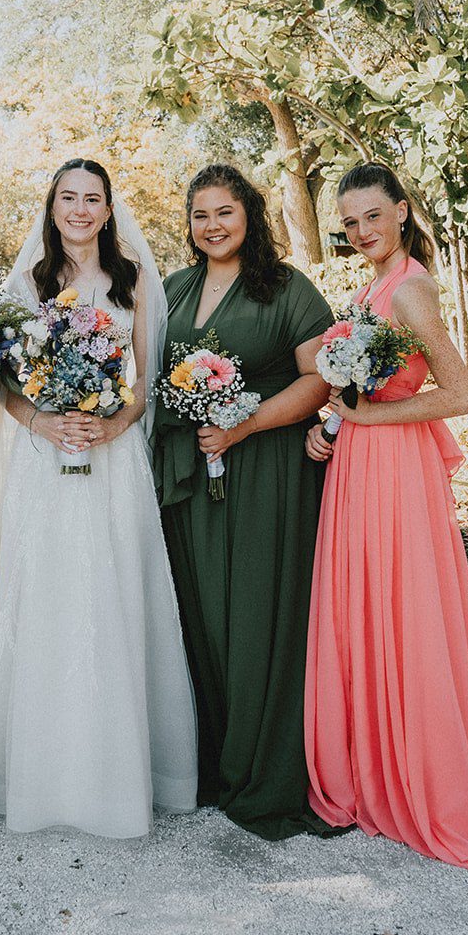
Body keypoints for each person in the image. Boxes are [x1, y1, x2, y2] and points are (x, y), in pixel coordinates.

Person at [304, 161, 468, 866]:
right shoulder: (367, 288)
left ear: (401, 212)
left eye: (371, 216)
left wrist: (369, 421)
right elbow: (360, 391)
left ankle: (422, 778)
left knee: (402, 610)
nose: (359, 230)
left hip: (395, 470)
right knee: (362, 609)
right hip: (360, 464)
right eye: (348, 222)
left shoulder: (410, 290)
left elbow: (462, 392)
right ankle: (373, 766)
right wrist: (332, 422)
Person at [0, 158, 197, 837]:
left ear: (109, 210)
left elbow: (144, 380)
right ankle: (47, 776)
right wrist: (45, 421)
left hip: (112, 458)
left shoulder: (132, 279)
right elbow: (4, 388)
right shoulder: (23, 284)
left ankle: (121, 773)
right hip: (45, 459)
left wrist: (112, 423)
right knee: (48, 596)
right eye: (68, 198)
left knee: (113, 592)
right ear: (51, 207)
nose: (80, 209)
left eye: (92, 199)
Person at [155, 163, 336, 840]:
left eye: (223, 212)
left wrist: (244, 424)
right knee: (199, 612)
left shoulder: (286, 287)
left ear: (249, 215)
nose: (211, 226)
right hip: (189, 474)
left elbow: (317, 380)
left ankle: (263, 767)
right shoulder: (174, 288)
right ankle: (211, 760)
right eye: (200, 214)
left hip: (266, 470)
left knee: (256, 613)